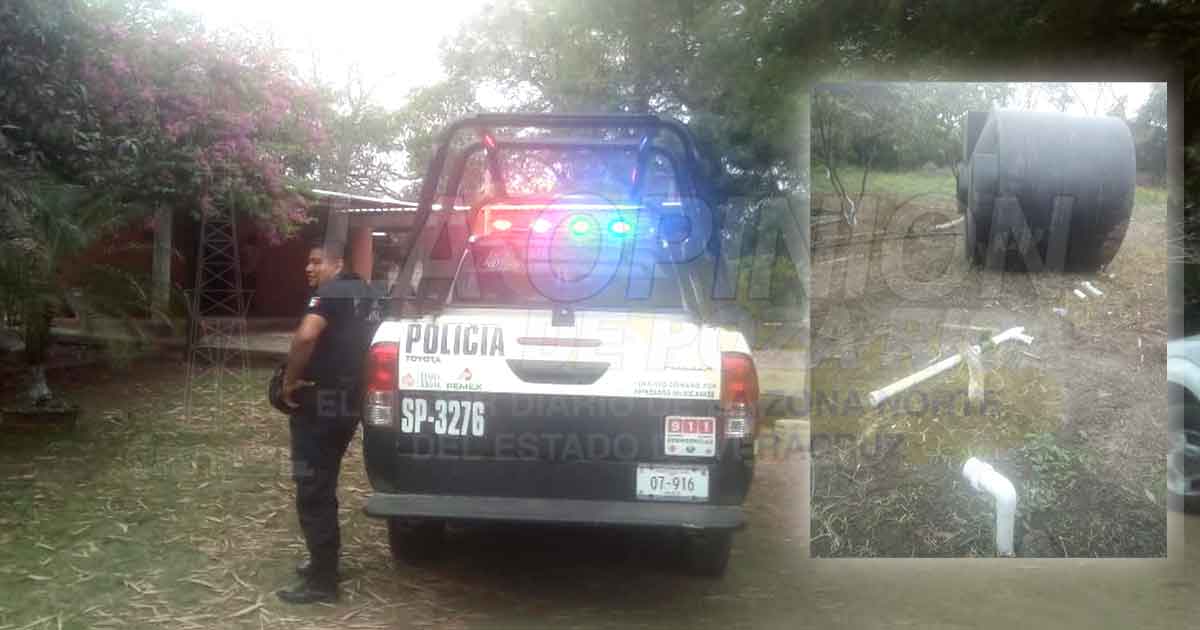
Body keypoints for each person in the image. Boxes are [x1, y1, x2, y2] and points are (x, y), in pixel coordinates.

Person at [276, 239, 373, 604]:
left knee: (313, 488)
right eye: (308, 263)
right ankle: (325, 561)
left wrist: (289, 381)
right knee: (324, 482)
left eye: (317, 262)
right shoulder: (364, 294)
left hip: (320, 402)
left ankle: (322, 583)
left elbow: (306, 336)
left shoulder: (329, 294)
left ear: (336, 263)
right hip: (348, 403)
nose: (309, 269)